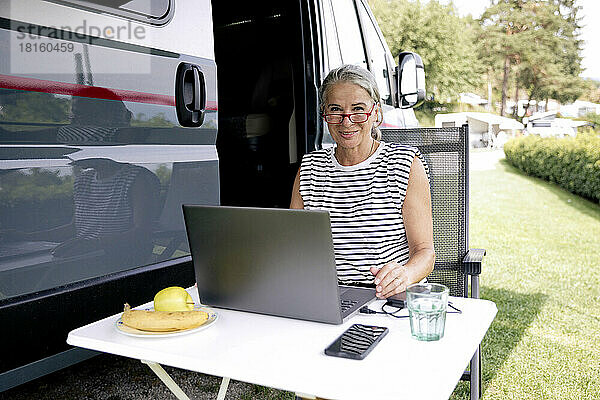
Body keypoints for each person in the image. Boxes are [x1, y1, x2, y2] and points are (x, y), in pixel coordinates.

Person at [290, 64, 434, 300]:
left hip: (391, 298)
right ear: (324, 114)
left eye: (358, 110)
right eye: (335, 109)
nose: (347, 122)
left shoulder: (405, 164)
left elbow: (425, 253)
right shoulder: (309, 169)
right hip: (329, 297)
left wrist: (404, 274)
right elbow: (294, 247)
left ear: (376, 113)